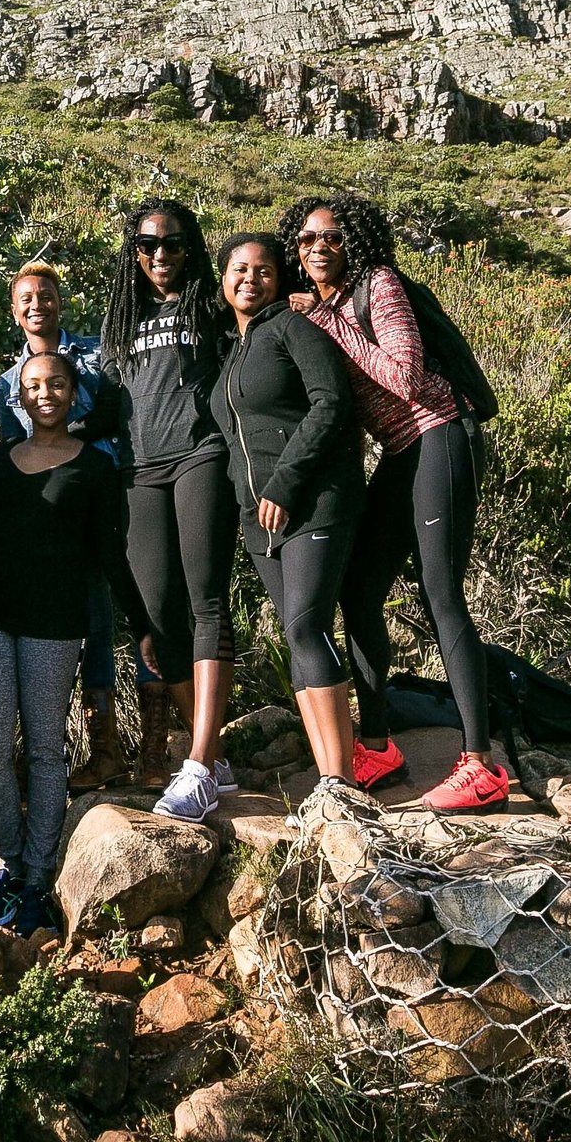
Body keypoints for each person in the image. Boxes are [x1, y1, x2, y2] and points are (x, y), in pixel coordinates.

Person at [281, 194, 510, 814]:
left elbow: (405, 376)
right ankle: (378, 745)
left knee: (441, 594)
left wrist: (327, 323)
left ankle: (480, 765)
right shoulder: (317, 308)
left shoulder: (377, 285)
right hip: (400, 453)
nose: (316, 247)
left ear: (355, 242)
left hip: (440, 433)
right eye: (305, 239)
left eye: (330, 237)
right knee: (357, 592)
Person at [0, 352, 144, 934]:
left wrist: (143, 624)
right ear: (18, 395)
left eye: (58, 384)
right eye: (33, 385)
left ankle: (39, 878)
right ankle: (9, 863)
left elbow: (111, 556)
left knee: (46, 749)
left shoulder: (94, 468)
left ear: (75, 393)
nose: (45, 393)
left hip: (57, 625)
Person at [0, 262, 158, 793]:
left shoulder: (95, 354)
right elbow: (18, 450)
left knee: (128, 611)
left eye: (46, 295)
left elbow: (119, 413)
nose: (37, 304)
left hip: (113, 492)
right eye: (26, 299)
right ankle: (95, 746)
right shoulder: (5, 382)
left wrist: (77, 439)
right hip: (56, 519)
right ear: (15, 312)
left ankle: (141, 744)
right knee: (85, 625)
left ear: (60, 301)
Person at [99, 200, 238, 823]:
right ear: (133, 250)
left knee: (206, 600)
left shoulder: (209, 307)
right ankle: (212, 748)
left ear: (192, 250)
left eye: (175, 245)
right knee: (155, 618)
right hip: (140, 472)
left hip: (199, 457)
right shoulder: (119, 323)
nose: (162, 255)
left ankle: (201, 763)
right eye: (150, 244)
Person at [211, 235, 363, 800]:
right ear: (223, 279)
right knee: (299, 634)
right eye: (239, 269)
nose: (251, 279)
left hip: (315, 501)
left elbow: (330, 403)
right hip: (261, 519)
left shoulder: (293, 328)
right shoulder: (232, 350)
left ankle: (339, 781)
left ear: (281, 278)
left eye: (264, 270)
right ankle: (331, 781)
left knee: (305, 626)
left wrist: (286, 482)